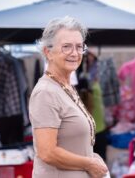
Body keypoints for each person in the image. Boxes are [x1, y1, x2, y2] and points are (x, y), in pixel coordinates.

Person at [29, 16, 109, 178]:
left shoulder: (65, 87)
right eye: (66, 47)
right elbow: (47, 152)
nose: (74, 53)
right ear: (48, 52)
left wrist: (91, 156)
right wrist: (89, 163)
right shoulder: (46, 92)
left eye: (79, 47)